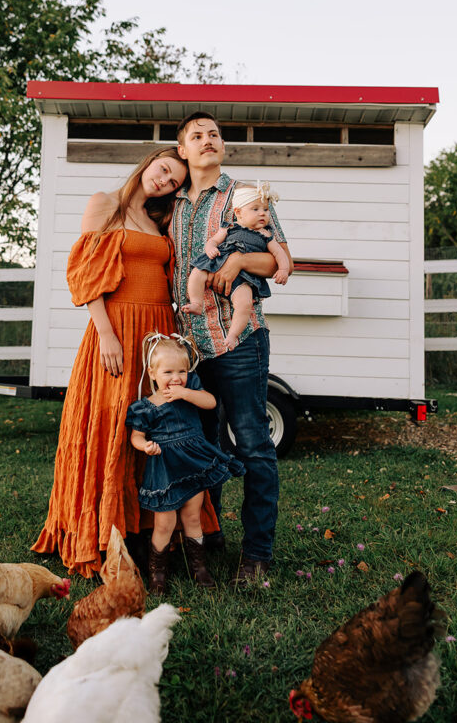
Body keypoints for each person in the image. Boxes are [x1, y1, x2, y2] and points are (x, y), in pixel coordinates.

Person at [31, 146, 218, 578]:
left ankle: (149, 535)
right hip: (115, 329)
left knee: (160, 426)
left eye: (173, 181)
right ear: (149, 162)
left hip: (156, 334)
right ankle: (100, 533)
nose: (165, 181)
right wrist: (106, 334)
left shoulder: (157, 221)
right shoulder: (105, 204)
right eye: (164, 169)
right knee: (114, 427)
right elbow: (84, 273)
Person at [169, 112, 293, 586]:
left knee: (254, 444)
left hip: (239, 340)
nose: (207, 141)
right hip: (191, 348)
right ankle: (210, 539)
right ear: (182, 150)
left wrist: (239, 257)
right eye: (196, 136)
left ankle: (257, 554)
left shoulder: (245, 195)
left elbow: (281, 257)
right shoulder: (174, 203)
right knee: (203, 446)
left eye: (214, 134)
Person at [126, 332, 245, 594]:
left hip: (193, 466)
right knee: (164, 524)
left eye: (181, 371)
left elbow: (211, 402)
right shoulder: (145, 407)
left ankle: (199, 568)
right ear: (152, 373)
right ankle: (157, 574)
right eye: (168, 372)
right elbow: (136, 437)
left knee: (192, 517)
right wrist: (145, 446)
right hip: (165, 471)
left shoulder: (189, 393)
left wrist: (186, 393)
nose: (176, 378)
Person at [182, 181, 290, 351]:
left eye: (265, 210)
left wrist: (283, 269)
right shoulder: (230, 226)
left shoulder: (266, 234)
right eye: (255, 209)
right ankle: (196, 302)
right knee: (197, 272)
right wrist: (210, 248)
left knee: (244, 304)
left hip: (245, 276)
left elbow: (280, 254)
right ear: (238, 212)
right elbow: (214, 240)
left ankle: (233, 335)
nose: (262, 213)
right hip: (219, 260)